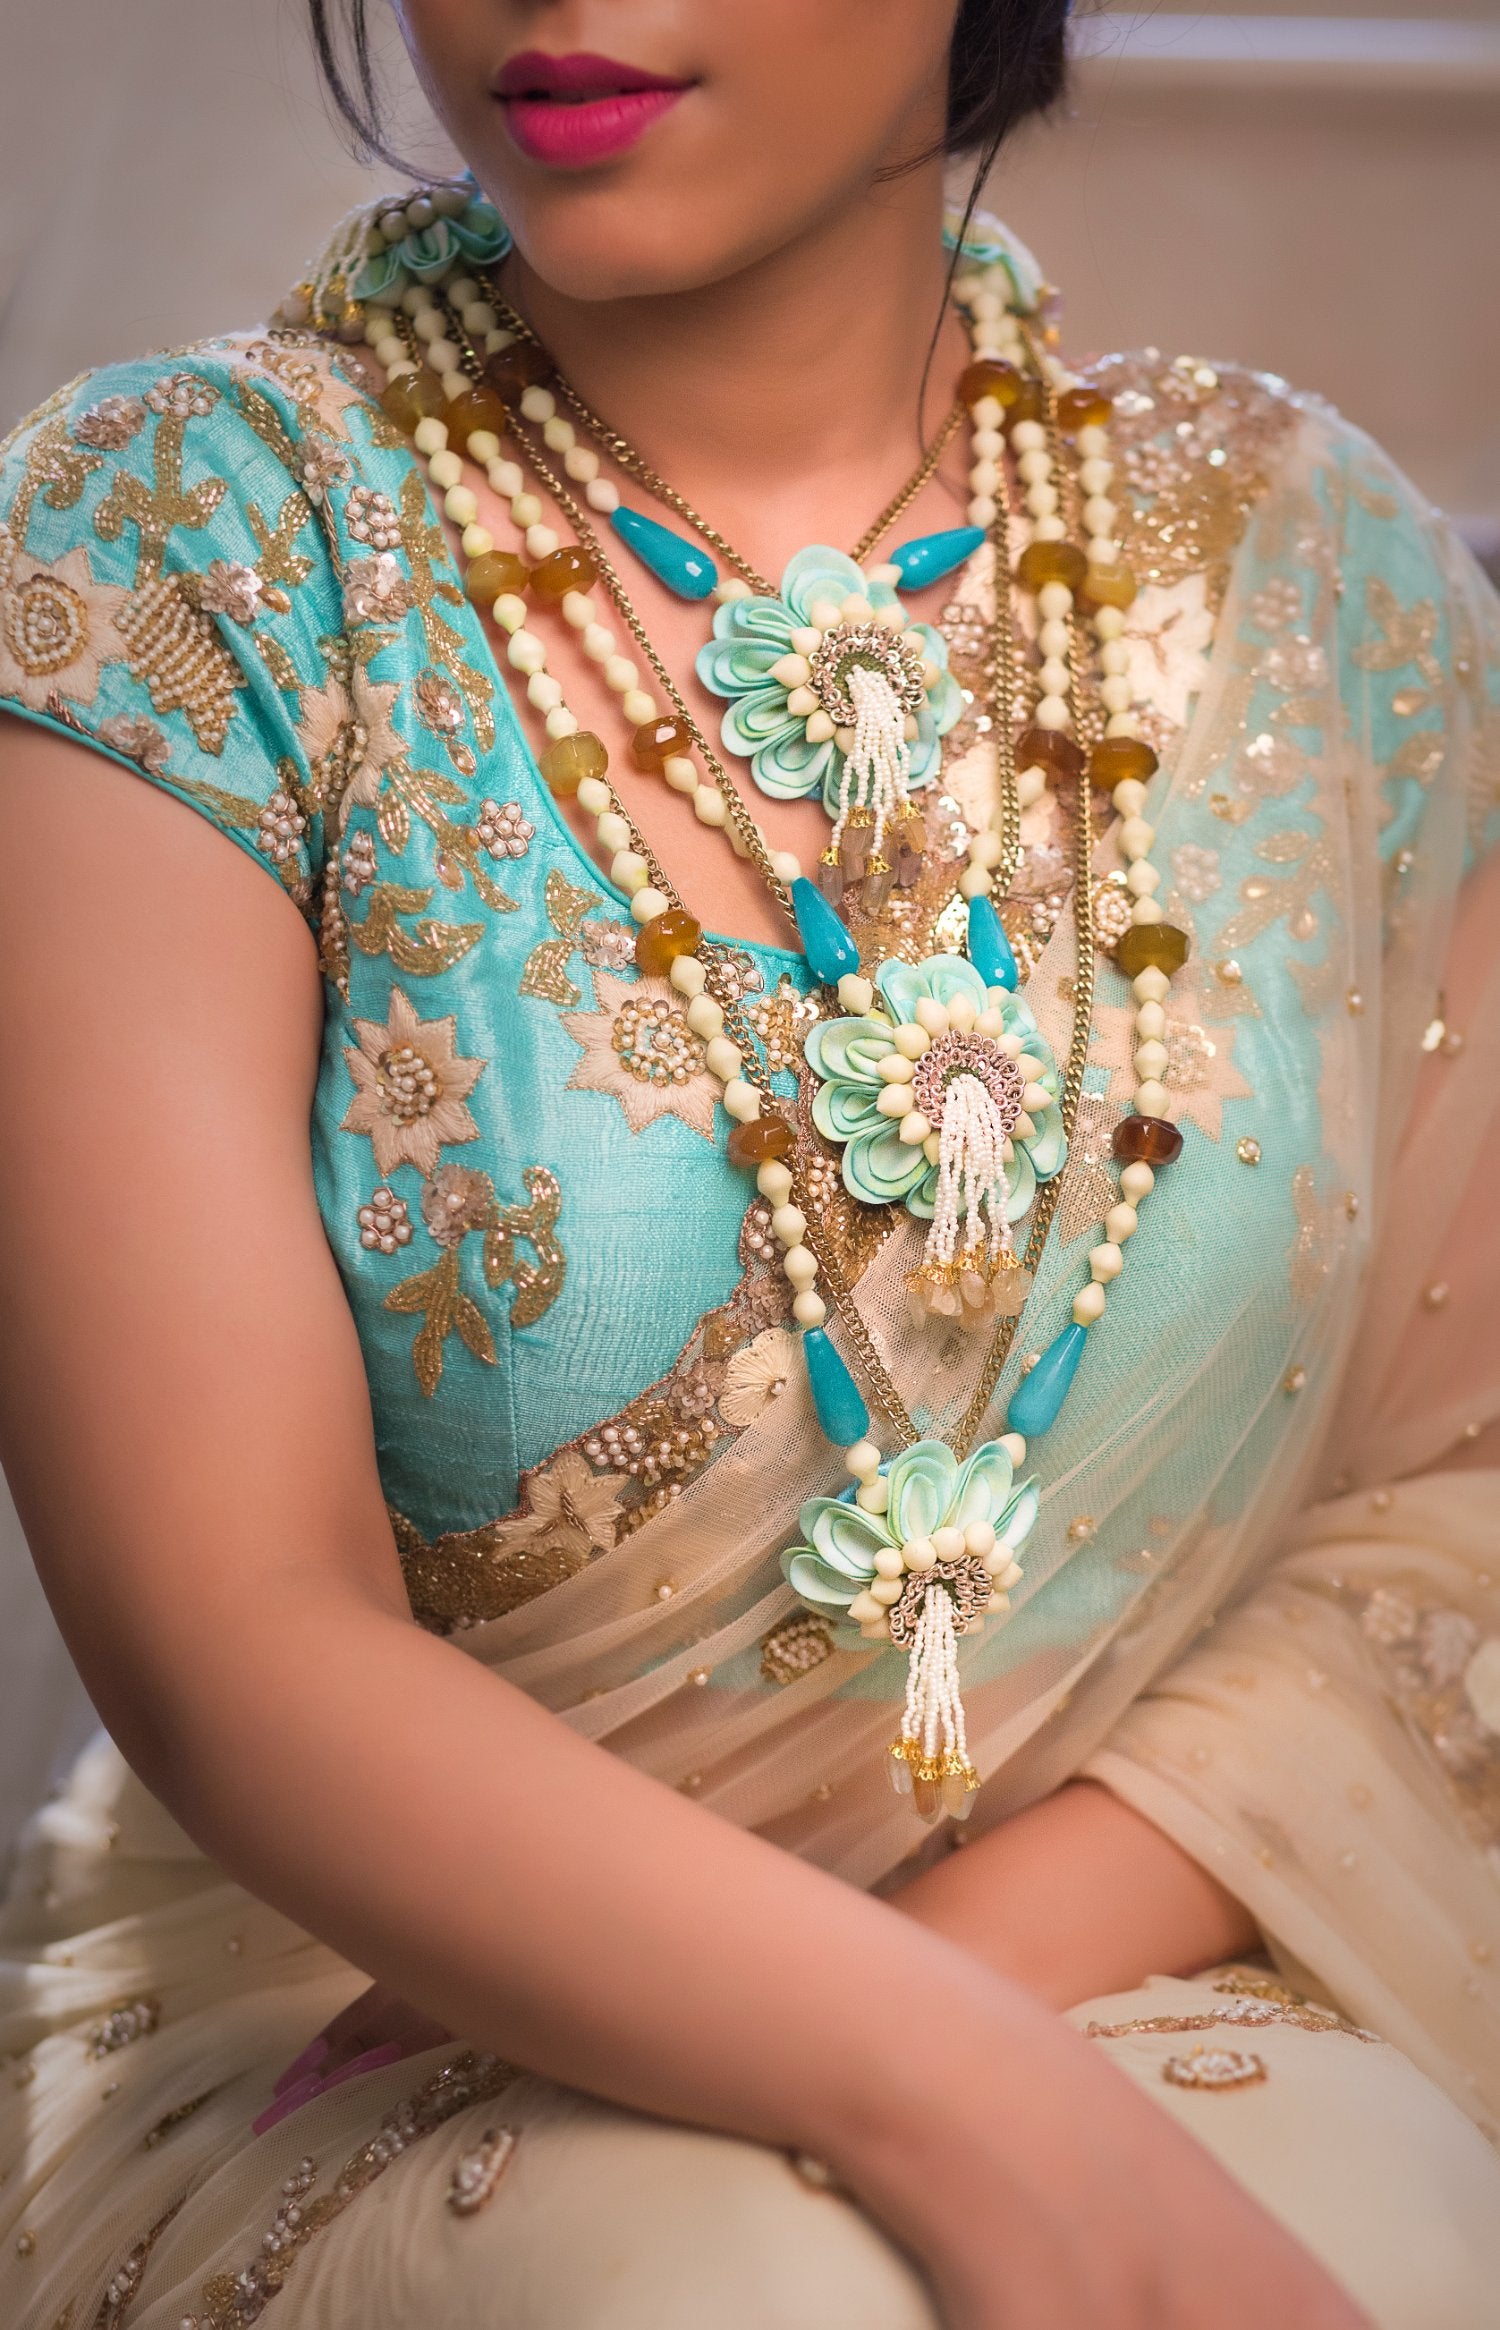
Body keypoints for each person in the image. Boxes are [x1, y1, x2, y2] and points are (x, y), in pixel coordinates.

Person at [0, 3, 1497, 2324]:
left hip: (1145, 1937)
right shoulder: (194, 548)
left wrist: (972, 2019)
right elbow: (231, 1631)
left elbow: (1454, 1497)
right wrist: (953, 2091)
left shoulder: (1312, 579)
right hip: (372, 2020)